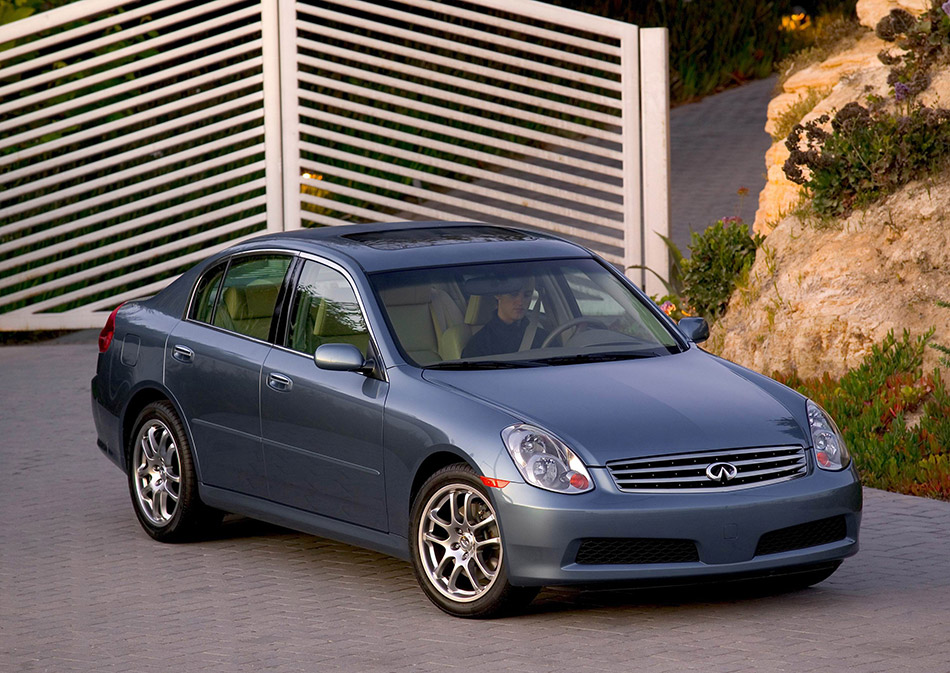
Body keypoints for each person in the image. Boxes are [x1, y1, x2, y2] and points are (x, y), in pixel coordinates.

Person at [461, 277, 548, 358]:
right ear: (498, 294)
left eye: (527, 295)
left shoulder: (542, 337)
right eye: (513, 294)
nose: (520, 302)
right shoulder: (478, 345)